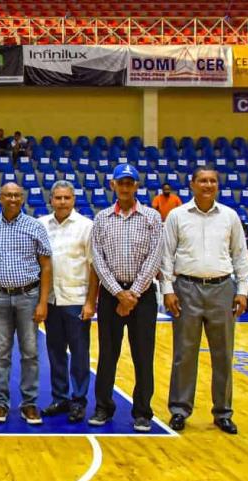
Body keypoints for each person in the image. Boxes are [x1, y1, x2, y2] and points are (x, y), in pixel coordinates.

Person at [161, 167, 248, 435]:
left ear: (217, 185)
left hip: (222, 288)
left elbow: (240, 255)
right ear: (192, 184)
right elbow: (166, 256)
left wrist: (242, 289)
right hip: (186, 287)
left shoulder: (230, 216)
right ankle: (179, 410)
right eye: (203, 180)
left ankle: (223, 412)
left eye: (212, 181)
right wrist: (167, 289)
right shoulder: (176, 216)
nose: (208, 185)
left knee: (223, 354)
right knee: (184, 354)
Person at [90, 163, 163, 432]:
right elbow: (98, 259)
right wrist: (119, 293)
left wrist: (132, 294)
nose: (125, 187)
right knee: (108, 355)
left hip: (142, 296)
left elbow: (155, 257)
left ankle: (143, 411)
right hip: (111, 295)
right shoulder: (101, 218)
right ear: (113, 185)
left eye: (129, 182)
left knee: (143, 355)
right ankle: (102, 407)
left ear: (136, 185)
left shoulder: (152, 217)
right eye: (121, 182)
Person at [0, 182, 52, 425]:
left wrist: (43, 301)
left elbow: (46, 265)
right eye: (8, 195)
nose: (12, 199)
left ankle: (29, 403)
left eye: (17, 195)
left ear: (23, 199)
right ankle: (1, 403)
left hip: (28, 297)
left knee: (30, 352)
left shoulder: (35, 226)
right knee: (1, 353)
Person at [39, 181, 99, 423]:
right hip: (51, 300)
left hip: (76, 299)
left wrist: (90, 302)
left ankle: (79, 399)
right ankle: (60, 397)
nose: (62, 202)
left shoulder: (87, 227)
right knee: (55, 352)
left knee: (80, 353)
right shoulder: (41, 225)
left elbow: (94, 268)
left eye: (67, 198)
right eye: (58, 198)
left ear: (74, 200)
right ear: (51, 199)